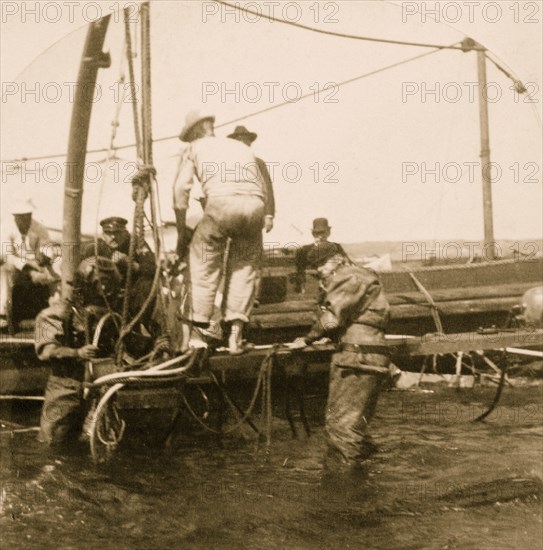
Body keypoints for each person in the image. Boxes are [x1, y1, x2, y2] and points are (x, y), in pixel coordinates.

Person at [171, 110, 267, 354]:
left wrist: (182, 232)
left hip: (222, 206)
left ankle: (195, 336)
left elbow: (181, 191)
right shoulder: (240, 148)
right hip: (255, 208)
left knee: (203, 264)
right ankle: (235, 337)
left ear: (194, 132)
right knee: (244, 269)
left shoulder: (194, 148)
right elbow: (261, 186)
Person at [289, 243, 391, 465]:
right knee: (355, 428)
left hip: (356, 357)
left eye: (320, 265)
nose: (318, 271)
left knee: (341, 428)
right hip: (368, 354)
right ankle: (366, 480)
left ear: (337, 259)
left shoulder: (348, 277)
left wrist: (307, 339)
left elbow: (331, 320)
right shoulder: (364, 276)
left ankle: (344, 489)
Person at [36, 257, 121, 446]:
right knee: (52, 443)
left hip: (97, 390)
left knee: (97, 444)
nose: (104, 292)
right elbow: (46, 350)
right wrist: (77, 353)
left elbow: (128, 343)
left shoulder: (111, 317)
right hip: (65, 388)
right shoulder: (54, 314)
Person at [0, 199, 59, 332]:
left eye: (27, 216)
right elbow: (7, 255)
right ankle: (2, 314)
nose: (25, 220)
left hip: (35, 264)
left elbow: (46, 247)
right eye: (21, 217)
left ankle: (57, 309)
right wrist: (30, 272)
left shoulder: (39, 228)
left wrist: (45, 256)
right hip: (14, 266)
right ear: (15, 217)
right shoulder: (5, 228)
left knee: (55, 271)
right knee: (4, 272)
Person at [294, 218, 347, 294]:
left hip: (334, 287)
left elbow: (347, 264)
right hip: (312, 289)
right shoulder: (304, 250)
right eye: (317, 233)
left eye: (323, 233)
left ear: (328, 232)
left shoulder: (337, 247)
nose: (320, 236)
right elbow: (300, 271)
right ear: (313, 234)